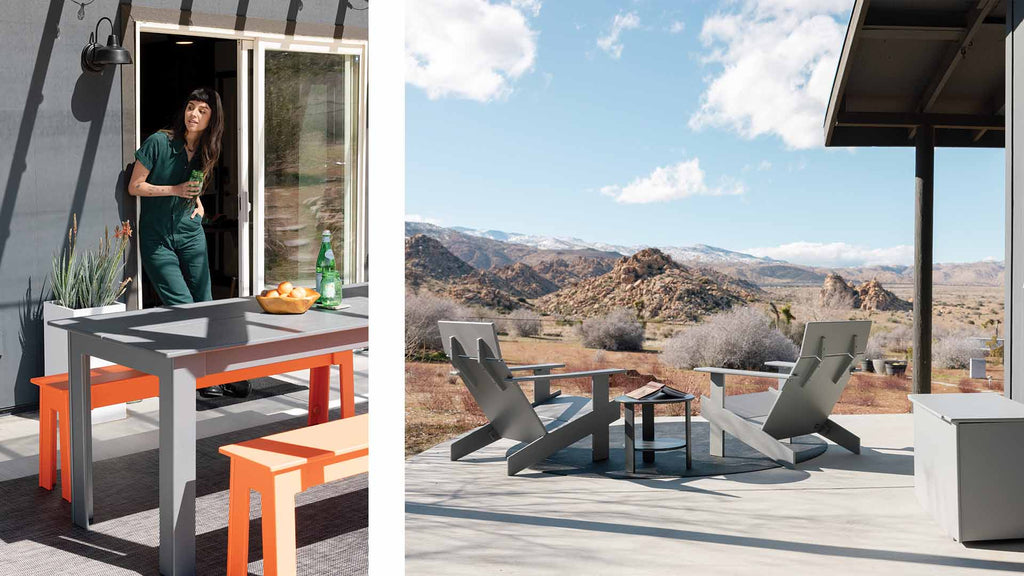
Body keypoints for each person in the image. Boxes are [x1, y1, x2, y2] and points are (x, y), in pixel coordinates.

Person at [128, 87, 246, 398]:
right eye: (190, 107)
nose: (193, 114)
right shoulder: (159, 142)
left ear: (212, 120)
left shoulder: (208, 149)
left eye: (202, 111)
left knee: (206, 305)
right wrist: (176, 189)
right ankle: (201, 378)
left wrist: (199, 202)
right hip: (157, 238)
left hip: (190, 231)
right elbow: (135, 186)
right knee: (182, 305)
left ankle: (215, 374)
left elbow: (194, 188)